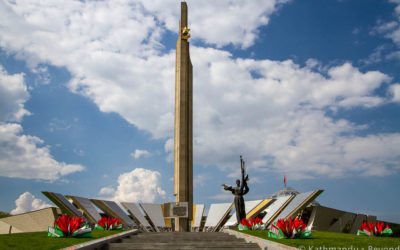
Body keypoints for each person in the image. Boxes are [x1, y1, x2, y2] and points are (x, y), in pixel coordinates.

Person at [222, 156, 249, 224]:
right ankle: (239, 222)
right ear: (236, 183)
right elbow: (229, 188)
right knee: (237, 210)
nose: (237, 182)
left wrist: (242, 174)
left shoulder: (240, 187)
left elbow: (243, 182)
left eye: (238, 181)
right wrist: (225, 186)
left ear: (239, 182)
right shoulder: (234, 188)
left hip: (240, 198)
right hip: (236, 199)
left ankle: (243, 221)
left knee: (242, 210)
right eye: (237, 182)